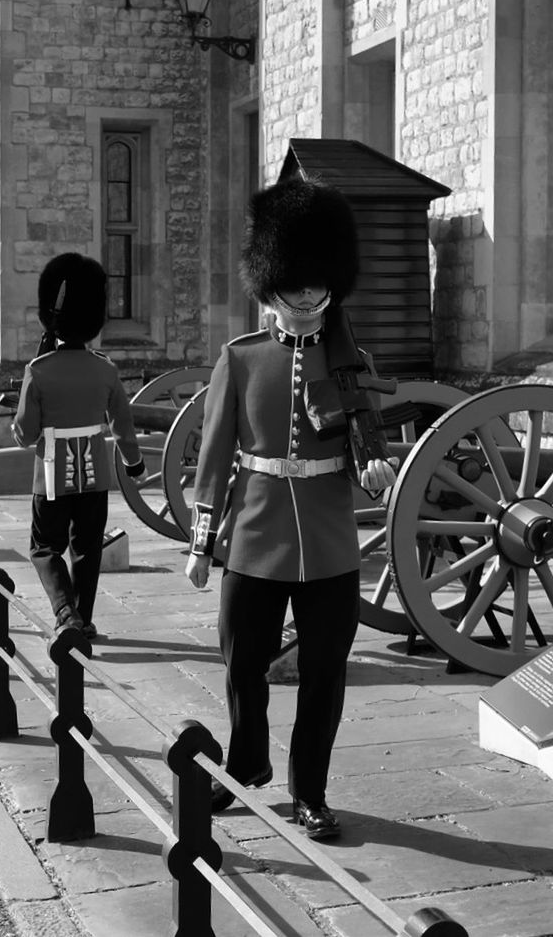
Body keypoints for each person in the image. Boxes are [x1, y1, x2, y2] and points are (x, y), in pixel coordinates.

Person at [184, 177, 396, 840]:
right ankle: (246, 762)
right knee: (242, 662)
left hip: (329, 543)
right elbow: (215, 457)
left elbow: (367, 439)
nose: (306, 293)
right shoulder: (240, 359)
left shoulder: (350, 360)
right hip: (252, 534)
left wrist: (375, 467)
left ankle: (310, 790)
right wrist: (200, 542)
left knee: (324, 675)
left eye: (314, 280)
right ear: (270, 280)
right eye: (293, 279)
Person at [12, 252, 145, 637]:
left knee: (43, 547)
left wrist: (28, 387)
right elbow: (122, 421)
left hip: (51, 475)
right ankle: (82, 619)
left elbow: (25, 433)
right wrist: (133, 463)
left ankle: (64, 611)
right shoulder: (105, 369)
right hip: (94, 474)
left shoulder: (38, 370)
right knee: (87, 549)